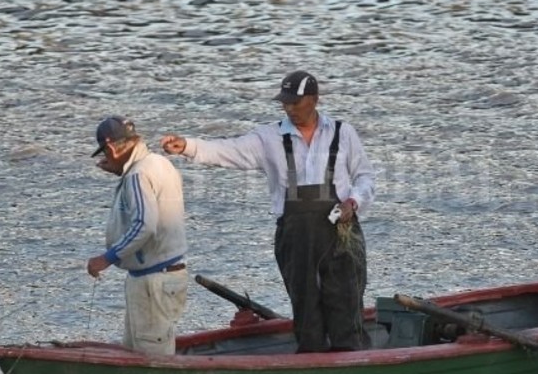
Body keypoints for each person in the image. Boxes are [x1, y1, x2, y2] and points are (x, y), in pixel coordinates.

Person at [160, 71, 377, 353]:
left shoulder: (342, 132)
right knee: (306, 306)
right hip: (294, 237)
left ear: (314, 100)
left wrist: (353, 202)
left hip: (341, 234)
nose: (289, 108)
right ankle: (313, 366)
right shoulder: (268, 137)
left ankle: (354, 361)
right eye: (285, 103)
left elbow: (365, 178)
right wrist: (189, 146)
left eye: (296, 103)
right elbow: (228, 149)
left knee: (346, 302)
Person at [85, 115, 190, 356]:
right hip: (165, 275)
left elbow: (145, 224)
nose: (105, 159)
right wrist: (119, 170)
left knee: (152, 359)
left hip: (153, 281)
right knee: (137, 353)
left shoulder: (137, 175)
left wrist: (108, 258)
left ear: (111, 147)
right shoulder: (159, 163)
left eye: (106, 153)